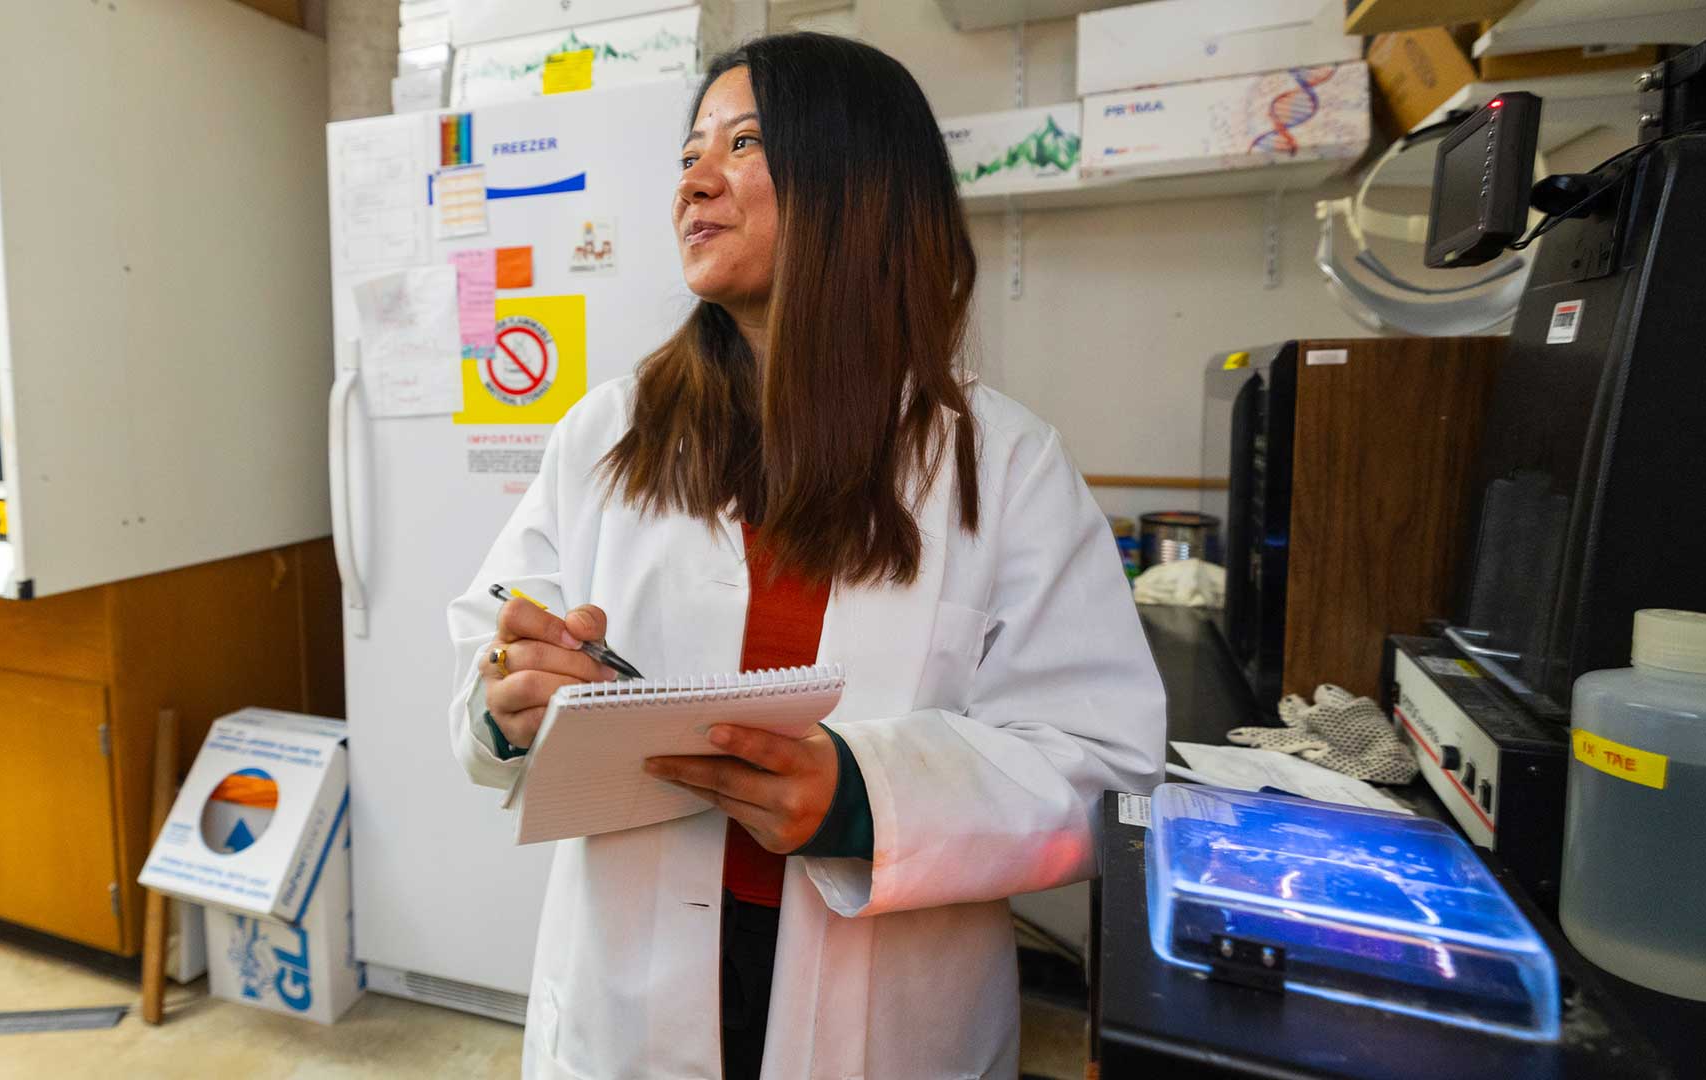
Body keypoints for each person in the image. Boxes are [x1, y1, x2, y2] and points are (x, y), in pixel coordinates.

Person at [447, 33, 1166, 1080]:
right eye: (692, 149)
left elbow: (1103, 768)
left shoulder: (1001, 466)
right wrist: (504, 700)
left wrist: (864, 797)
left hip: (886, 1011)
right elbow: (489, 649)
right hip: (630, 992)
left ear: (858, 187)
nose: (694, 179)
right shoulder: (605, 436)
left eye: (743, 142)